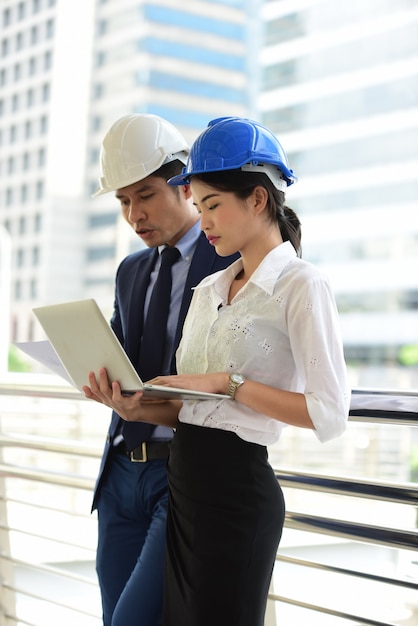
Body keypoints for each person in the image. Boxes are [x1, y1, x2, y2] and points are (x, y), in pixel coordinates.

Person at [84, 116, 350, 626]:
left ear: (257, 199)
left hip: (234, 495)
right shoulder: (209, 290)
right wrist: (143, 404)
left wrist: (229, 385)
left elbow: (329, 414)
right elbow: (195, 409)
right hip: (186, 488)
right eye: (200, 206)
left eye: (211, 206)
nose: (203, 220)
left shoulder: (301, 284)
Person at [89, 113, 239, 626]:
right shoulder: (131, 270)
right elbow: (118, 354)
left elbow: (235, 377)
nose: (134, 214)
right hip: (119, 472)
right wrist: (101, 380)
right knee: (115, 617)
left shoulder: (229, 261)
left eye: (146, 194)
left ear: (184, 185)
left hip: (181, 471)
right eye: (123, 201)